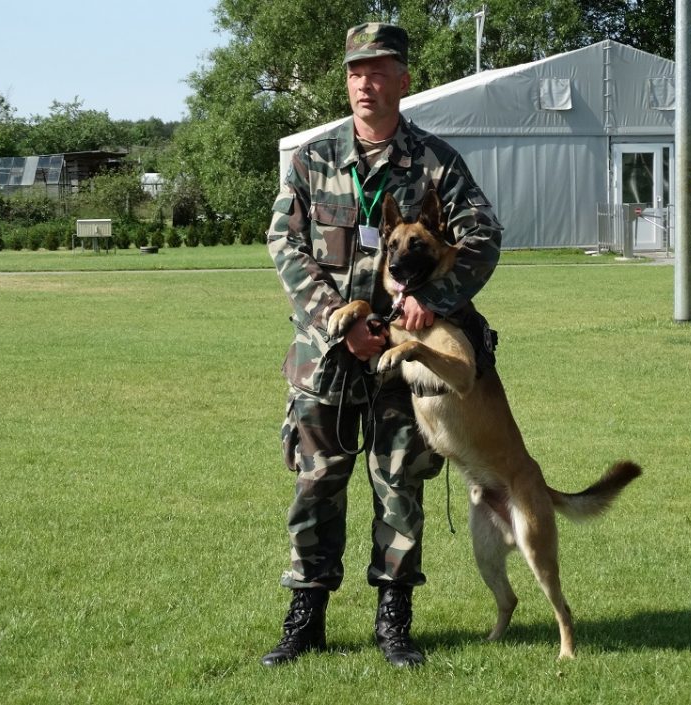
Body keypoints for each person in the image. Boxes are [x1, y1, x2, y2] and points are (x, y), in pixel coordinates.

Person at [263, 22, 503, 668]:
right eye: (355, 72)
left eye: (379, 70)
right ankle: (305, 616)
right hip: (329, 360)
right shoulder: (311, 161)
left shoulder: (436, 164)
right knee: (316, 486)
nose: (365, 83)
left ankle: (394, 619)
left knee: (401, 484)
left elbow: (484, 237)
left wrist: (437, 298)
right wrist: (340, 322)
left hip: (407, 362)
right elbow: (286, 248)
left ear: (403, 79)